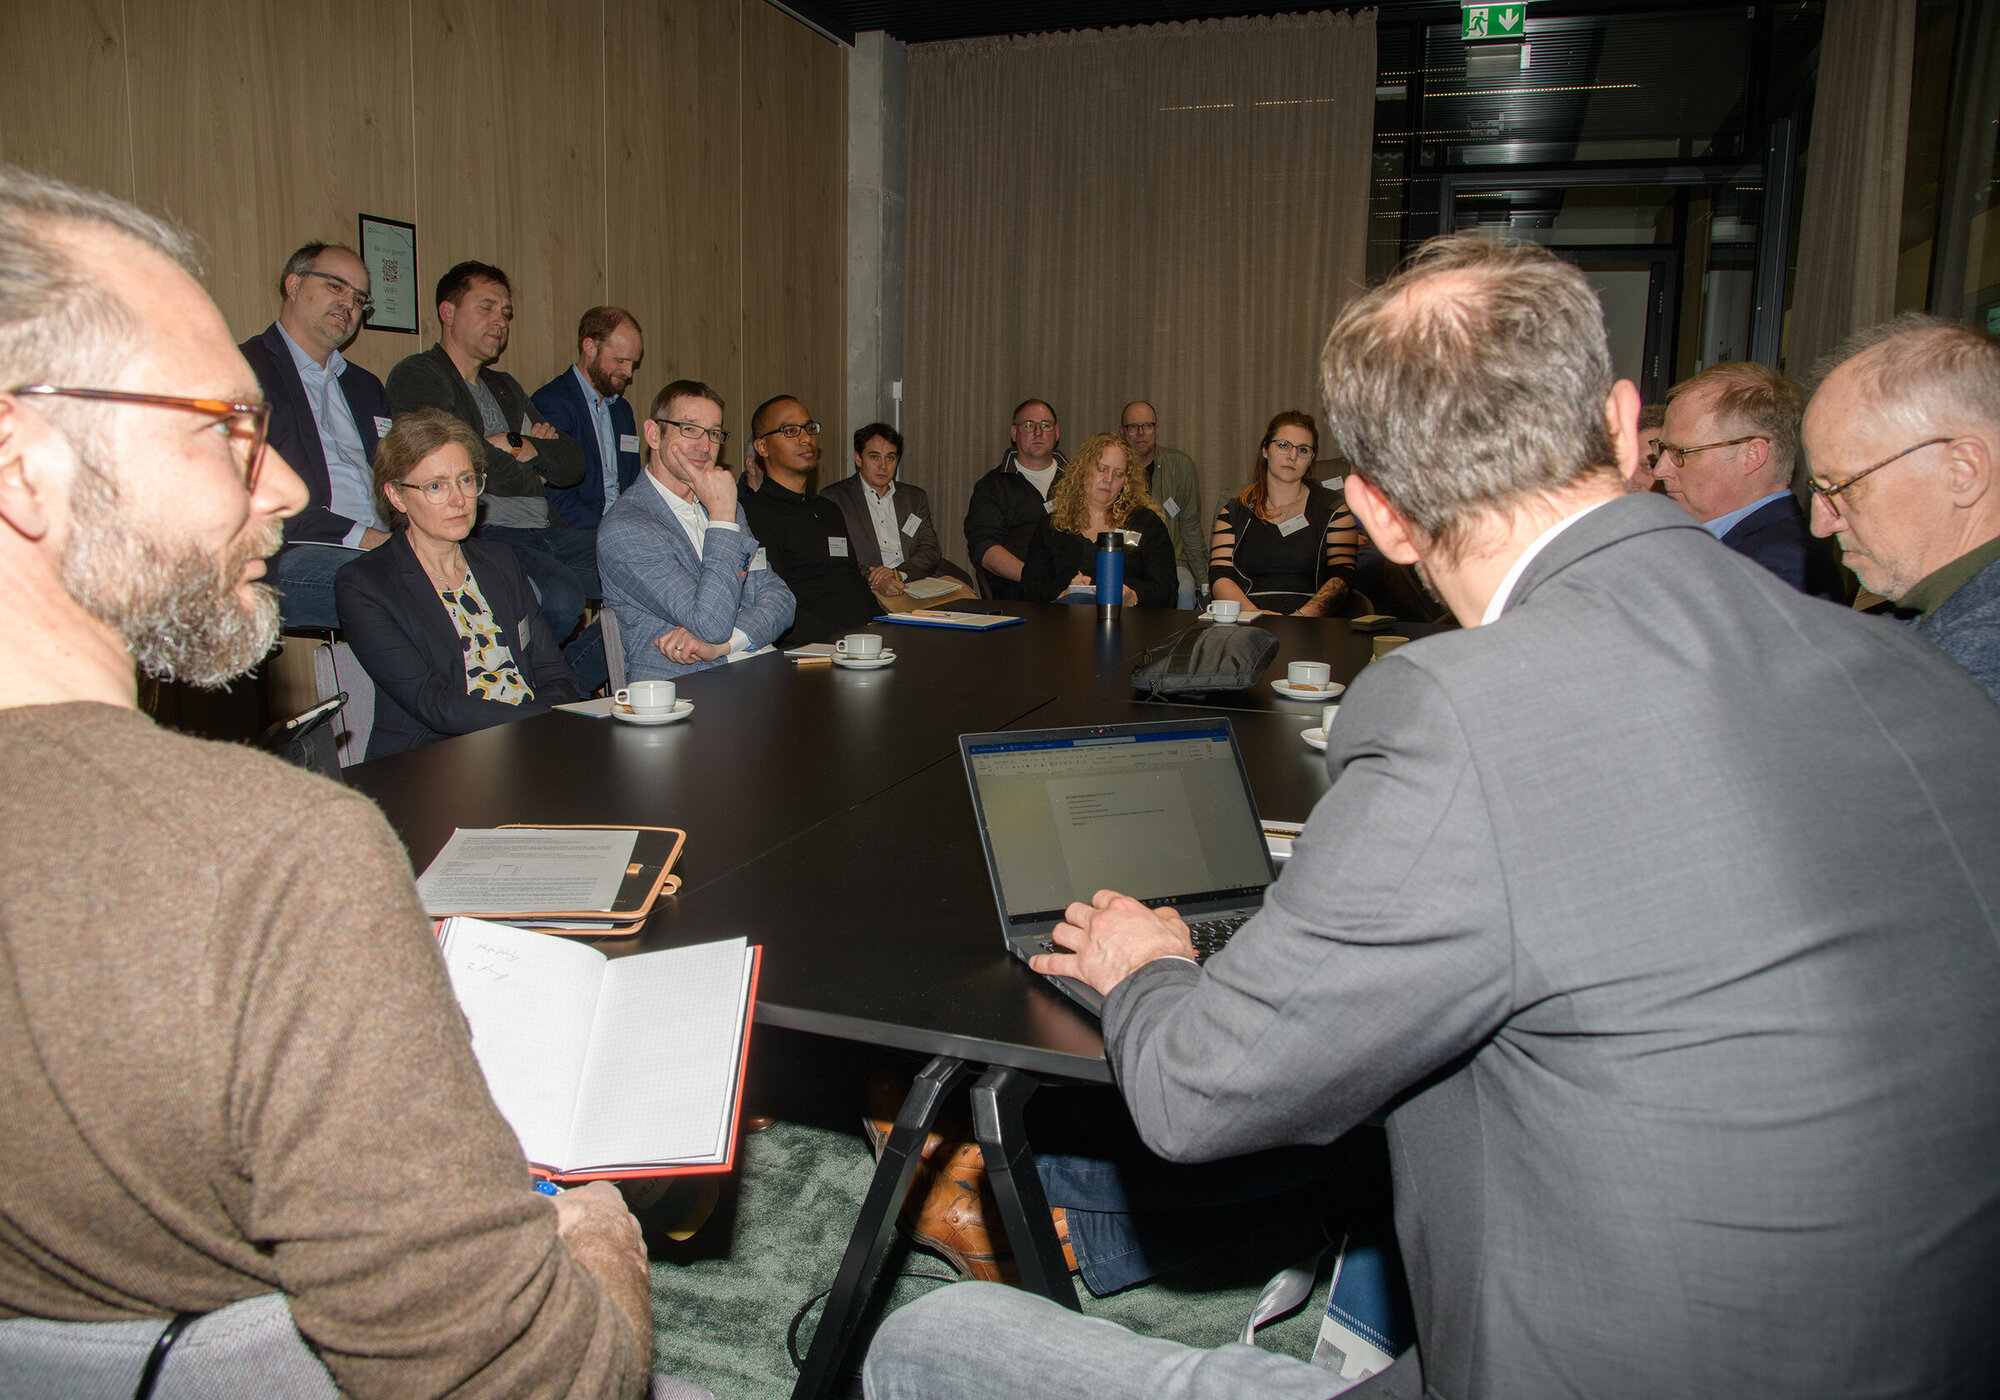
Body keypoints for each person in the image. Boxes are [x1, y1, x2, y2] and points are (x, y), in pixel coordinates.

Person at [862, 236, 2000, 1400]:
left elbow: (1199, 1093)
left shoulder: (1457, 709)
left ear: (1381, 517)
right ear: (1621, 426)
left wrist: (1148, 965)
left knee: (928, 1344)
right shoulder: (1921, 671)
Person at [0, 166, 662, 1398]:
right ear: (20, 459)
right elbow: (533, 1377)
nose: (293, 487)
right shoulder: (281, 858)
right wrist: (598, 1241)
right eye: (223, 427)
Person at [386, 261, 599, 668]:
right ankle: (531, 689)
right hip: (488, 532)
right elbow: (455, 465)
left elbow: (572, 463)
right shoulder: (419, 375)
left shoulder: (505, 387)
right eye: (487, 307)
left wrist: (511, 444)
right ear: (448, 313)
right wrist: (530, 457)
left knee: (639, 564)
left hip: (546, 527)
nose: (500, 321)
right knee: (561, 598)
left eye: (505, 313)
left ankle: (564, 684)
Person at [334, 409, 580, 758]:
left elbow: (556, 674)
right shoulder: (365, 584)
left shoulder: (500, 562)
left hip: (531, 744)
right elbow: (435, 705)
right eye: (436, 486)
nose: (459, 500)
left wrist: (549, 725)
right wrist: (539, 724)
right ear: (396, 495)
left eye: (466, 480)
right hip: (434, 761)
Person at [1804, 314, 2000, 699]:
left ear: (1963, 472)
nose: (1821, 526)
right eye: (1817, 488)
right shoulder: (1937, 622)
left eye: (1842, 486)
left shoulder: (1967, 676)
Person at [238, 241, 394, 630]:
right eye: (336, 287)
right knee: (406, 591)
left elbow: (398, 475)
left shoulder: (365, 386)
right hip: (292, 550)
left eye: (359, 298)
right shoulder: (243, 372)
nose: (349, 305)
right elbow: (253, 499)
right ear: (293, 286)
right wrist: (369, 539)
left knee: (504, 582)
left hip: (381, 546)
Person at [598, 380, 794, 680]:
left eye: (714, 433)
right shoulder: (627, 527)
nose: (705, 446)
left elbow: (782, 600)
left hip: (756, 670)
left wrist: (724, 645)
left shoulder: (723, 508)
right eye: (689, 428)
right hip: (686, 687)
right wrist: (721, 519)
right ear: (653, 434)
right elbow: (710, 622)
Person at [1655, 361, 1844, 599]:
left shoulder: (1778, 568)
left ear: (1752, 456)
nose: (1660, 470)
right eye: (1661, 449)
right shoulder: (1718, 543)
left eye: (1680, 452)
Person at [737, 395, 879, 645]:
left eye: (809, 428)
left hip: (862, 641)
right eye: (790, 430)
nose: (806, 438)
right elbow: (773, 603)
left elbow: (854, 583)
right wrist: (844, 640)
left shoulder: (828, 509)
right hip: (811, 649)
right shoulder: (752, 516)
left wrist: (882, 626)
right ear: (762, 447)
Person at [1208, 411, 1359, 616]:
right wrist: (1254, 614)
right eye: (1283, 445)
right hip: (1247, 619)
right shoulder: (1234, 511)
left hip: (1312, 623)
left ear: (1311, 458)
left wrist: (1303, 617)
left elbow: (1342, 576)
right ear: (1265, 450)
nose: (1292, 456)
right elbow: (1220, 574)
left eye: (1303, 450)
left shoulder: (1334, 510)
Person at [1019, 432, 1176, 607]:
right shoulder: (1054, 525)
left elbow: (1167, 589)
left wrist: (1133, 595)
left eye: (1118, 474)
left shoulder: (1146, 523)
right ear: (1083, 470)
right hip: (1063, 624)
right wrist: (1064, 592)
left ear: (1126, 482)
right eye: (1102, 469)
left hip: (1129, 624)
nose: (1109, 480)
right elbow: (1029, 589)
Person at [532, 305, 645, 533]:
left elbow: (631, 482)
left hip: (625, 529)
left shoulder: (622, 410)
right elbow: (557, 500)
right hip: (581, 534)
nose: (628, 373)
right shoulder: (552, 403)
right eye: (621, 361)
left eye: (633, 364)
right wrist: (611, 532)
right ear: (590, 347)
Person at [822, 422, 953, 600]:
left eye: (890, 458)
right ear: (858, 459)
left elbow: (930, 549)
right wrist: (877, 581)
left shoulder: (915, 498)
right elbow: (837, 557)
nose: (883, 466)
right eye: (875, 457)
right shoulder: (835, 498)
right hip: (866, 588)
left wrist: (898, 574)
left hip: (911, 582)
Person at [964, 398, 1066, 598]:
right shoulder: (991, 486)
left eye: (1045, 425)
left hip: (1075, 585)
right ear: (1014, 433)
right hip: (1017, 586)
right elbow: (984, 548)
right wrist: (1034, 578)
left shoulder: (1079, 482)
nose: (1038, 433)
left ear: (1056, 432)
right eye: (1029, 425)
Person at [1121, 401, 1206, 607]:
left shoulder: (1181, 466)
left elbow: (1191, 527)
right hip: (1125, 562)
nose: (1141, 433)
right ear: (1122, 432)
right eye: (1133, 427)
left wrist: (1205, 581)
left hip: (1172, 563)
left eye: (1147, 426)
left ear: (1157, 430)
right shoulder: (1113, 469)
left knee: (1184, 589)